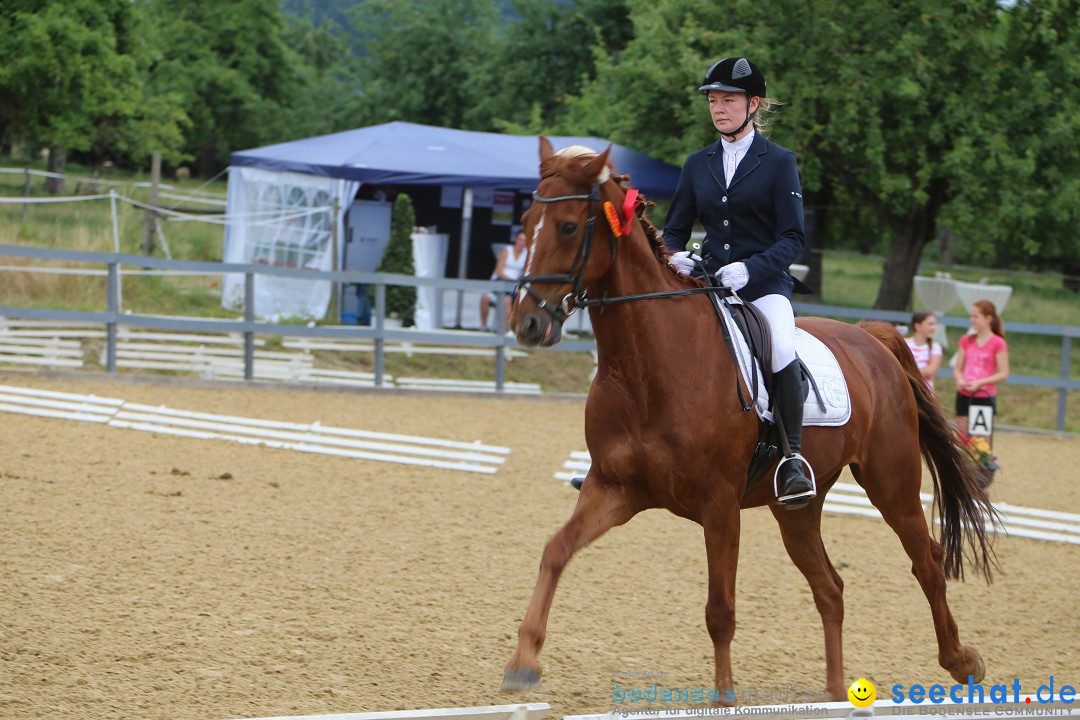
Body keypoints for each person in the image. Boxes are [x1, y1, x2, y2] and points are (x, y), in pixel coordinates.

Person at [663, 57, 815, 509]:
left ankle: (793, 458)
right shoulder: (698, 163)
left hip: (763, 287)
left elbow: (793, 238)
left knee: (783, 348)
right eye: (713, 100)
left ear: (754, 104)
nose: (719, 108)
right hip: (710, 285)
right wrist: (675, 256)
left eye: (728, 99)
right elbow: (674, 228)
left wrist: (752, 269)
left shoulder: (779, 162)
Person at [953, 300, 1009, 436]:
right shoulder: (966, 340)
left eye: (976, 316)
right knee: (963, 438)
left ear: (988, 319)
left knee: (982, 442)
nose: (972, 320)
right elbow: (958, 369)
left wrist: (980, 383)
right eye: (971, 316)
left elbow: (1003, 373)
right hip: (964, 394)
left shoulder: (998, 343)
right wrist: (960, 380)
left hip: (984, 396)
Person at [481, 230, 527, 332]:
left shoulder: (527, 254)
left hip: (514, 287)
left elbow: (525, 273)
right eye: (520, 239)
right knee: (484, 298)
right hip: (501, 282)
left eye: (524, 240)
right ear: (516, 240)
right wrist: (512, 279)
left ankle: (504, 330)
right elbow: (499, 271)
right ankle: (483, 328)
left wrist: (516, 282)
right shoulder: (506, 251)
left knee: (507, 300)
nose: (521, 242)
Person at [905, 311, 943, 392]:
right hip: (906, 390)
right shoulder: (905, 343)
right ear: (917, 326)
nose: (934, 328)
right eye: (930, 324)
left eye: (934, 324)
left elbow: (931, 370)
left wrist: (906, 372)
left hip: (924, 393)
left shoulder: (935, 347)